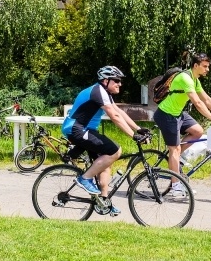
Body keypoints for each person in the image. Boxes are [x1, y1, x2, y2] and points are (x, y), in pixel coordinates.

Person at [62, 65, 150, 215]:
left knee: (105, 164)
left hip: (86, 130)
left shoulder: (104, 92)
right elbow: (114, 117)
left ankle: (104, 202)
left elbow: (118, 112)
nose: (120, 84)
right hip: (76, 128)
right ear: (105, 80)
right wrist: (133, 135)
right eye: (116, 80)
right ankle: (84, 179)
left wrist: (138, 129)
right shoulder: (97, 91)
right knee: (115, 151)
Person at [153, 52, 211, 197]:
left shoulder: (194, 79)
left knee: (197, 131)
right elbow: (198, 103)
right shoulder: (185, 78)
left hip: (178, 114)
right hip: (166, 115)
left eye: (208, 66)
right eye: (205, 66)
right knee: (174, 150)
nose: (207, 69)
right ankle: (176, 187)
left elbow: (206, 99)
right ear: (196, 65)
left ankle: (176, 159)